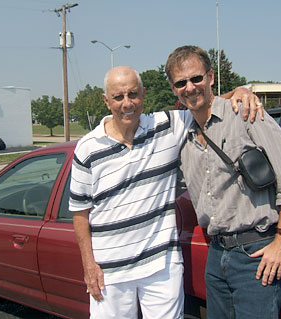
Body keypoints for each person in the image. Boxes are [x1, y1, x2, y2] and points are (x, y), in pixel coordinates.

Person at [69, 65, 262, 318]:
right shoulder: (87, 149)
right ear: (106, 101)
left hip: (161, 266)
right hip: (110, 271)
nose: (127, 104)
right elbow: (80, 213)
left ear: (144, 94)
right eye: (118, 97)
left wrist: (239, 91)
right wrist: (89, 265)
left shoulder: (167, 126)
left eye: (133, 94)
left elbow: (202, 106)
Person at [165, 45, 281, 318]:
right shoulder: (182, 133)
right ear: (174, 89)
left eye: (196, 78)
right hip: (216, 257)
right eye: (181, 83)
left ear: (210, 77)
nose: (190, 87)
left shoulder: (244, 112)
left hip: (256, 254)